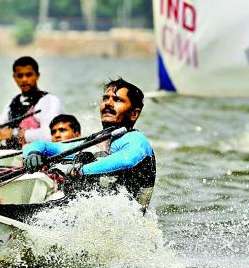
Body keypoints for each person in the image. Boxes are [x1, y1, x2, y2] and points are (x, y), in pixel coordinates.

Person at [22, 78, 156, 208]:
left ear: (134, 113)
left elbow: (127, 159)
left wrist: (81, 170)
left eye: (117, 100)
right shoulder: (96, 142)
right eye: (105, 98)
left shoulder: (137, 140)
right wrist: (33, 154)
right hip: (85, 215)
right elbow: (44, 146)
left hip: (125, 221)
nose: (108, 103)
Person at [0, 56, 61, 146]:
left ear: (37, 75)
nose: (24, 79)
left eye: (29, 75)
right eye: (20, 76)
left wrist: (14, 134)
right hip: (15, 154)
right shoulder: (11, 103)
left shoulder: (50, 100)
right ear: (14, 77)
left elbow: (50, 134)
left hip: (40, 152)